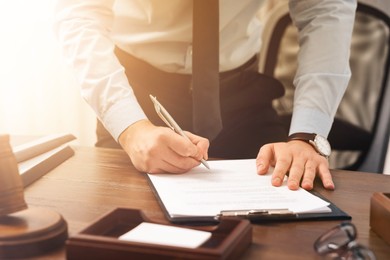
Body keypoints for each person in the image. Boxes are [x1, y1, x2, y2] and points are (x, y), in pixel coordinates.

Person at [54, 0, 357, 191]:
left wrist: (306, 136)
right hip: (136, 97)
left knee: (285, 210)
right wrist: (130, 128)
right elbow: (79, 15)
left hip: (243, 96)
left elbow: (326, 10)